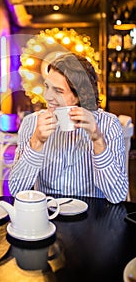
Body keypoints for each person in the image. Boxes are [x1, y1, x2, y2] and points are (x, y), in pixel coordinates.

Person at [9, 53, 128, 204]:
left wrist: (98, 140)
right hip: (48, 216)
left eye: (58, 91)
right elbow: (16, 190)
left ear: (80, 95)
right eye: (47, 87)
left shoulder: (109, 124)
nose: (48, 97)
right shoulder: (31, 123)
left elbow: (118, 196)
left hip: (92, 217)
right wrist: (36, 142)